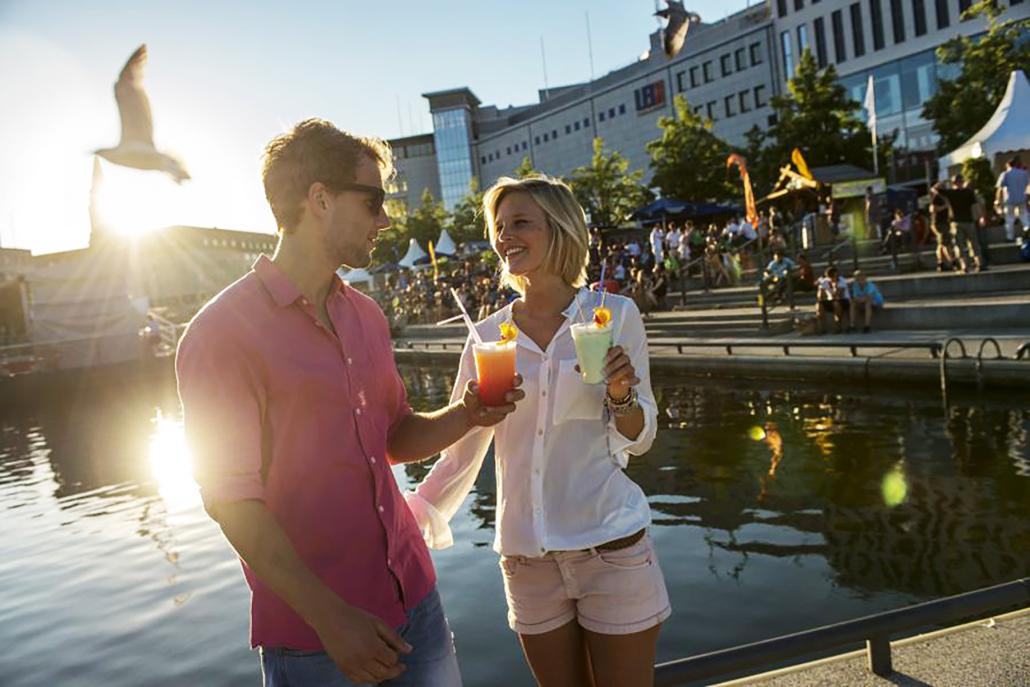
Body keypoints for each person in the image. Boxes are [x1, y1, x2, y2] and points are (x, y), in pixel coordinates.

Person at [175, 119, 525, 687]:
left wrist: (467, 414)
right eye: (373, 201)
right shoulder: (220, 334)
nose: (385, 220)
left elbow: (393, 436)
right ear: (320, 199)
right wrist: (332, 620)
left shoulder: (365, 315)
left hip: (416, 600)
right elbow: (232, 501)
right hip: (319, 641)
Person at [407, 175, 669, 687]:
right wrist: (411, 519)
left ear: (560, 229)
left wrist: (620, 389)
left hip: (610, 546)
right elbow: (464, 451)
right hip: (526, 559)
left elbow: (640, 436)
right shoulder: (486, 338)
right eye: (499, 227)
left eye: (520, 223)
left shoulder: (614, 316)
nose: (504, 237)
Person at [937, 174, 984, 273]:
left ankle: (964, 266)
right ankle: (978, 264)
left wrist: (945, 181)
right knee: (974, 243)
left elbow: (935, 188)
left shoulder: (951, 193)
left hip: (956, 222)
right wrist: (981, 217)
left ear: (953, 183)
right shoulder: (968, 192)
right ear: (962, 182)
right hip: (969, 221)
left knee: (959, 245)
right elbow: (976, 206)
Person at [995, 156, 1029, 244]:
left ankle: (1010, 237)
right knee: (1024, 216)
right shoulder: (1024, 173)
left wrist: (997, 200)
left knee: (1009, 218)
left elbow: (1000, 188)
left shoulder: (1005, 174)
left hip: (1010, 199)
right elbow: (1027, 186)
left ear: (1008, 165)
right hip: (1022, 198)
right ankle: (1027, 231)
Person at [929, 182, 958, 272]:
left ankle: (940, 263)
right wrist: (945, 206)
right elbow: (933, 209)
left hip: (944, 222)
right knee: (946, 243)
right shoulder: (937, 198)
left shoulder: (944, 197)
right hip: (939, 223)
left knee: (941, 244)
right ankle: (953, 261)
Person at [816, 266, 849, 334]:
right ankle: (821, 327)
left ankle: (838, 325)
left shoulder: (841, 280)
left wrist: (835, 286)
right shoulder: (825, 281)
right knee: (819, 304)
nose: (834, 278)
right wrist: (820, 289)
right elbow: (819, 297)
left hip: (844, 300)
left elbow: (839, 295)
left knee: (836, 303)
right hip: (831, 300)